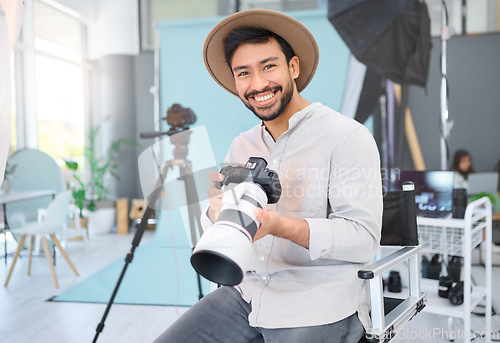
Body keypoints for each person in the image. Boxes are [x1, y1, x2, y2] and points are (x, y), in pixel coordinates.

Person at [154, 9, 382, 343]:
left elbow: (363, 239)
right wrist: (215, 210)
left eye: (268, 66)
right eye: (243, 73)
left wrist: (280, 227)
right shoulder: (241, 145)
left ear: (293, 67)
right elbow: (222, 231)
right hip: (246, 293)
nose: (258, 84)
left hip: (318, 300)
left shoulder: (346, 136)